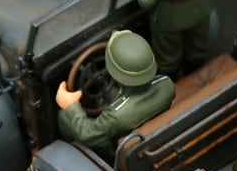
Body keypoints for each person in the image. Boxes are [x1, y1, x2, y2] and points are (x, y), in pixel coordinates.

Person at [56, 30, 174, 158]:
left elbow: (87, 133)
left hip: (116, 146)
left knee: (63, 115)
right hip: (144, 125)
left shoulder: (116, 116)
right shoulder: (166, 83)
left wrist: (71, 105)